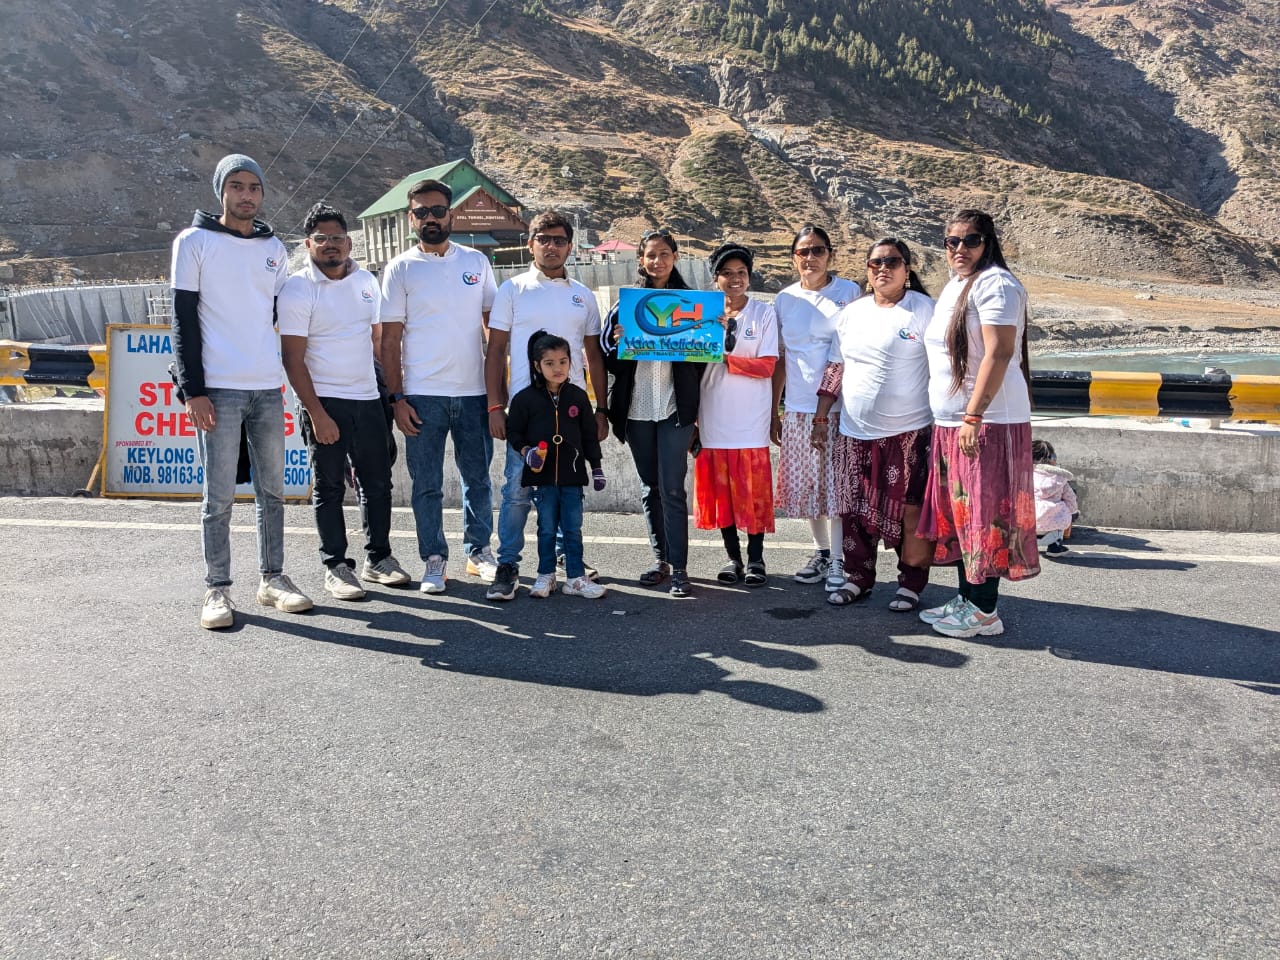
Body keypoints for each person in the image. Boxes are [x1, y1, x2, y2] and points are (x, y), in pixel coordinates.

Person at [171, 152, 313, 630]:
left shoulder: (274, 248)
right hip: (219, 390)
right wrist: (193, 390)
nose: (246, 195)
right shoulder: (193, 242)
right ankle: (217, 588)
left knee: (273, 491)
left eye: (254, 187)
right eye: (237, 186)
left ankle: (273, 578)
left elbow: (276, 313)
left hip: (266, 388)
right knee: (218, 497)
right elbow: (183, 321)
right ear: (221, 191)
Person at [279, 201, 412, 600]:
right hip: (325, 402)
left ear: (349, 242)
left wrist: (390, 396)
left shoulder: (366, 282)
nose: (331, 244)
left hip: (368, 399)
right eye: (321, 238)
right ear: (308, 243)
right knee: (330, 488)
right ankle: (336, 566)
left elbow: (376, 342)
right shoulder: (297, 288)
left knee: (378, 484)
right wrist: (316, 413)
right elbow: (292, 359)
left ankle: (379, 559)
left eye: (337, 237)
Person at [918, 209, 1041, 638]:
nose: (960, 249)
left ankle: (985, 612)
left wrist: (974, 414)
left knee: (985, 517)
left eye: (970, 240)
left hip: (985, 423)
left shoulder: (996, 284)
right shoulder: (957, 285)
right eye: (951, 241)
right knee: (961, 517)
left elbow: (999, 352)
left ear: (988, 243)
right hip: (952, 422)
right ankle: (967, 598)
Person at [379, 178, 498, 594]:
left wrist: (496, 393)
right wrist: (397, 398)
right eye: (421, 212)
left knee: (478, 479)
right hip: (422, 396)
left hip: (474, 394)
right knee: (426, 484)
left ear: (451, 214)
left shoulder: (476, 262)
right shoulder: (400, 268)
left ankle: (479, 553)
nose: (430, 218)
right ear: (411, 218)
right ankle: (434, 559)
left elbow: (493, 330)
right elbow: (389, 341)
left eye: (438, 210)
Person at [485, 210, 607, 601]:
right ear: (530, 243)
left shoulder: (582, 295)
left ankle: (567, 563)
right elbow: (496, 349)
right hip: (527, 413)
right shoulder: (513, 289)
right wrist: (494, 406)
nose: (551, 246)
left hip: (571, 414)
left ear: (570, 246)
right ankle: (507, 565)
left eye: (558, 240)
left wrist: (600, 409)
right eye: (543, 239)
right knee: (516, 493)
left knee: (566, 492)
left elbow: (593, 355)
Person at [812, 238, 935, 609]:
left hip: (908, 434)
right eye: (875, 263)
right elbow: (836, 367)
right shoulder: (853, 313)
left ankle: (910, 583)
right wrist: (821, 415)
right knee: (853, 512)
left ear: (907, 269)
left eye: (892, 262)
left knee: (909, 512)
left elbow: (944, 365)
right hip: (854, 432)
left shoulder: (923, 309)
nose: (883, 268)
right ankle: (858, 579)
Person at [601, 229, 702, 599]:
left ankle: (680, 568)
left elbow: (704, 363)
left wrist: (712, 332)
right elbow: (609, 360)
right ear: (641, 260)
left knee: (672, 488)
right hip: (637, 409)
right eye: (651, 255)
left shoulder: (693, 304)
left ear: (675, 257)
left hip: (675, 409)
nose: (658, 261)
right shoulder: (625, 305)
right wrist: (617, 341)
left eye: (664, 254)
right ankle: (660, 560)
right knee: (650, 487)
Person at [771, 225, 861, 593]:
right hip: (796, 408)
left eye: (818, 250)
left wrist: (827, 410)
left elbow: (850, 353)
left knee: (835, 488)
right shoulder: (784, 300)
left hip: (838, 409)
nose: (811, 258)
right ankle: (822, 553)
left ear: (830, 255)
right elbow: (780, 359)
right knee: (808, 487)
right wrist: (773, 410)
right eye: (803, 251)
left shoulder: (849, 293)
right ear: (794, 257)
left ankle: (840, 559)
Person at [694, 242, 779, 587]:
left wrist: (727, 360)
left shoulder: (763, 313)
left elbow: (767, 365)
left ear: (749, 276)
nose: (735, 279)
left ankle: (756, 559)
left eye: (741, 273)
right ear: (715, 278)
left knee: (752, 494)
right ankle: (733, 559)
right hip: (712, 416)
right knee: (722, 496)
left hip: (750, 420)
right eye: (727, 273)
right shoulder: (700, 313)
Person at [505, 331, 608, 600]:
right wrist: (526, 452)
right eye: (549, 363)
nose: (557, 368)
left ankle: (575, 578)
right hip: (543, 479)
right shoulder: (525, 399)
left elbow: (589, 436)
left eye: (563, 361)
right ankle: (545, 575)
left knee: (572, 528)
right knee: (547, 528)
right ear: (537, 366)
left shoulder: (578, 396)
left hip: (573, 477)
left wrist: (596, 467)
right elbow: (514, 432)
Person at [1032, 439, 1077, 554]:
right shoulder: (1060, 479)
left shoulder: (1026, 476)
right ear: (1052, 459)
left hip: (1028, 524)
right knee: (1062, 511)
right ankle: (1054, 546)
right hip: (1053, 524)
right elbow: (1071, 500)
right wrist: (1072, 512)